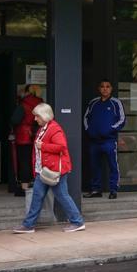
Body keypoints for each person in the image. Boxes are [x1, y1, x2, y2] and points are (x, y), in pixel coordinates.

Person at [13, 103, 85, 234]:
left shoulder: (54, 129)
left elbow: (61, 147)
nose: (35, 119)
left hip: (53, 170)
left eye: (37, 116)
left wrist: (43, 146)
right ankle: (28, 225)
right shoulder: (43, 128)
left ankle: (77, 221)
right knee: (38, 196)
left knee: (62, 196)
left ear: (44, 116)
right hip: (44, 170)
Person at [82, 80, 125, 199]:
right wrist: (89, 130)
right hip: (94, 141)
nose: (105, 89)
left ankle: (113, 190)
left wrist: (110, 129)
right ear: (99, 89)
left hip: (109, 141)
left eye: (107, 87)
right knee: (94, 166)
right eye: (102, 86)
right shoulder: (93, 102)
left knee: (113, 165)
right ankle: (96, 190)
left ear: (111, 89)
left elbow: (122, 120)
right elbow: (86, 118)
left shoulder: (116, 103)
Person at [11, 85, 42, 192]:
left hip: (24, 136)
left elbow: (15, 120)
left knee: (24, 161)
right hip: (38, 135)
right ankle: (37, 184)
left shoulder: (23, 104)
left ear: (26, 92)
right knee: (36, 160)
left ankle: (25, 186)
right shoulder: (41, 103)